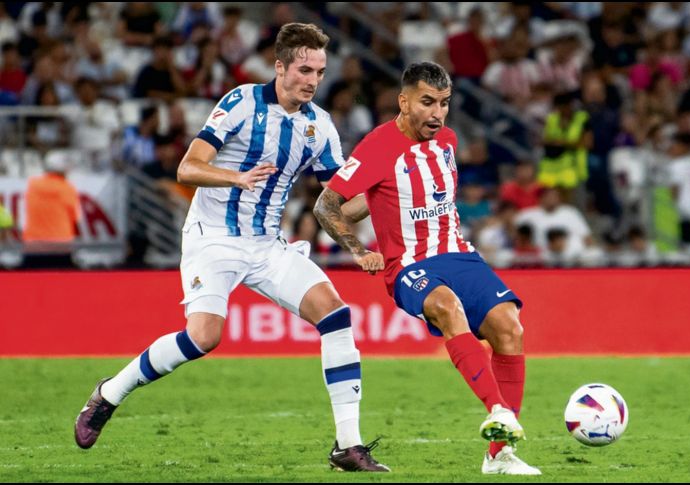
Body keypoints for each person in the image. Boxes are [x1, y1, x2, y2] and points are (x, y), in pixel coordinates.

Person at [74, 23, 388, 473]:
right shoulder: (241, 102)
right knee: (204, 337)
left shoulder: (320, 126)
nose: (312, 80)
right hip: (214, 237)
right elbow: (188, 168)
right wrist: (236, 177)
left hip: (266, 245)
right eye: (303, 69)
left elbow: (334, 206)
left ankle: (348, 446)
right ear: (279, 67)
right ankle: (109, 393)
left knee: (336, 316)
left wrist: (381, 192)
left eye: (319, 71)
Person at [313, 61, 540, 476]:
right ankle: (499, 411)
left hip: (457, 253)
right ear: (403, 102)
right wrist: (359, 248)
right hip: (409, 265)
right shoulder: (378, 145)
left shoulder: (448, 141)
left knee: (510, 327)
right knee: (448, 308)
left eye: (445, 103)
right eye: (427, 102)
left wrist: (377, 198)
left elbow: (387, 193)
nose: (437, 113)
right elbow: (326, 205)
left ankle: (499, 455)